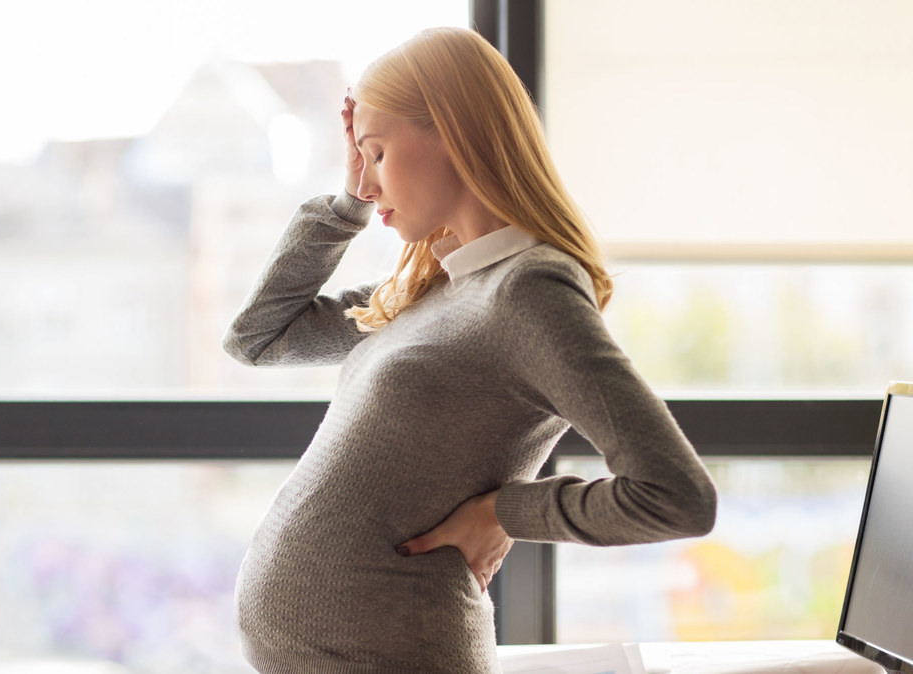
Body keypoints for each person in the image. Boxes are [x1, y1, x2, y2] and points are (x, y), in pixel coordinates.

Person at [222, 26, 717, 674]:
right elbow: (259, 337)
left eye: (376, 154)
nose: (368, 185)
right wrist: (346, 203)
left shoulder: (528, 291)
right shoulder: (444, 282)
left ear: (452, 131)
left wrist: (505, 511)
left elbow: (676, 494)